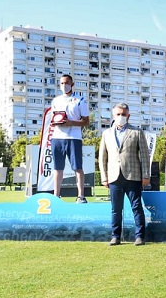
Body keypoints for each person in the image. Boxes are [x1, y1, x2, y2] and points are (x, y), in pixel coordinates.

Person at [99, 103, 151, 246]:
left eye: (123, 114)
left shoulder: (137, 132)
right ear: (113, 115)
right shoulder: (106, 134)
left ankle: (140, 237)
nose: (121, 117)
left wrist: (146, 175)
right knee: (116, 209)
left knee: (137, 207)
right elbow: (102, 157)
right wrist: (104, 177)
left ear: (128, 116)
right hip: (114, 177)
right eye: (118, 114)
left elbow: (145, 156)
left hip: (133, 175)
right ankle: (115, 236)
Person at [50, 74, 90, 202]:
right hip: (57, 137)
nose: (64, 86)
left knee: (77, 167)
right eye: (61, 83)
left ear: (72, 84)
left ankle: (81, 196)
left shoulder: (80, 100)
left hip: (74, 138)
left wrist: (71, 123)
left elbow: (86, 121)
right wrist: (56, 122)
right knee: (57, 168)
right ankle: (56, 196)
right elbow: (53, 118)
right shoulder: (55, 100)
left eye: (66, 83)